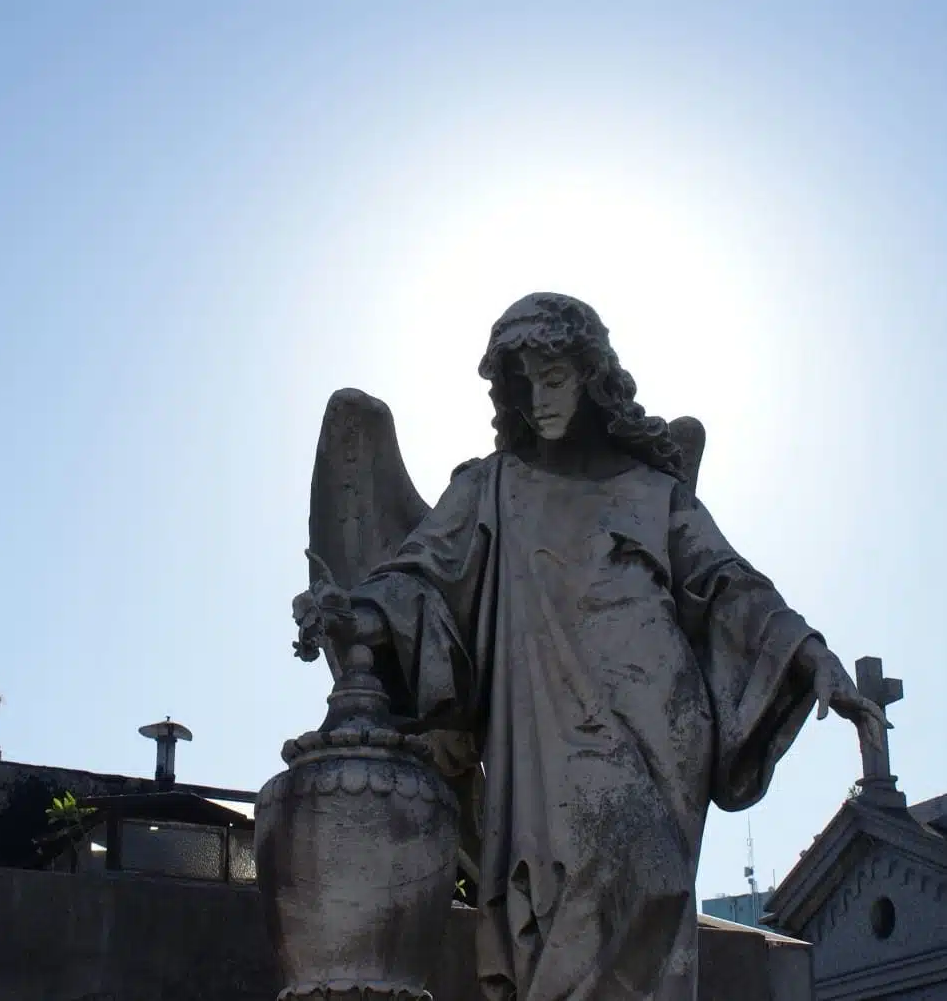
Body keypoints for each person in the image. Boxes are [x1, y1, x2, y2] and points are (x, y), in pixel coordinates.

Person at [296, 292, 886, 1001]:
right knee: (567, 893)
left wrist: (809, 654)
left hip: (661, 728)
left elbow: (730, 585)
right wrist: (356, 614)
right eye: (523, 384)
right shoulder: (493, 487)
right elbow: (419, 578)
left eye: (554, 379)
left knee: (652, 883)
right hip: (546, 731)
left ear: (591, 378)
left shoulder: (654, 492)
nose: (538, 399)